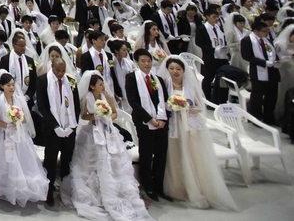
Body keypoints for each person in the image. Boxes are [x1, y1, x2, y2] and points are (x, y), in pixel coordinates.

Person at [158, 56, 237, 210]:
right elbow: (161, 105)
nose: (175, 72)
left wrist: (185, 107)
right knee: (175, 155)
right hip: (173, 125)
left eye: (178, 69)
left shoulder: (191, 86)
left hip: (190, 126)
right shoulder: (165, 84)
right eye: (172, 68)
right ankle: (178, 188)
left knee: (192, 156)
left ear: (184, 70)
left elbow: (200, 107)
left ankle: (195, 187)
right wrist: (172, 107)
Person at [70, 72, 152, 221]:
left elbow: (114, 113)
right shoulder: (87, 98)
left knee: (113, 158)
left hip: (107, 129)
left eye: (103, 84)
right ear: (92, 86)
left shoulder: (106, 97)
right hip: (92, 130)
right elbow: (83, 115)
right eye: (100, 84)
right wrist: (96, 117)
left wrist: (106, 117)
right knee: (91, 158)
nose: (103, 86)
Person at [0, 70, 49, 207]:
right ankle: (5, 188)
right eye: (8, 85)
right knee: (4, 163)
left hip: (19, 135)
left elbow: (26, 118)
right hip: (3, 135)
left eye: (13, 85)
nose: (12, 88)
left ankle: (22, 188)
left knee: (23, 161)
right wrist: (7, 125)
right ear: (2, 86)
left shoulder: (19, 100)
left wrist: (18, 120)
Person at [124, 49, 170, 203]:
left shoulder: (158, 79)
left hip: (161, 122)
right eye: (143, 61)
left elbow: (165, 101)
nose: (147, 64)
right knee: (146, 154)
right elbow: (133, 101)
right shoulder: (131, 78)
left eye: (149, 61)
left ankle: (159, 185)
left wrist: (163, 119)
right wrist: (150, 119)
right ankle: (147, 185)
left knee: (161, 155)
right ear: (137, 62)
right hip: (144, 122)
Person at [37, 45, 79, 206]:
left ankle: (66, 189)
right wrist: (55, 126)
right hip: (51, 128)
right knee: (51, 160)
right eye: (58, 70)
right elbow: (42, 107)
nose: (61, 74)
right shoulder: (43, 81)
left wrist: (71, 126)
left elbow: (74, 105)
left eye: (63, 70)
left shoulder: (71, 82)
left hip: (69, 127)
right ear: (52, 67)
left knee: (67, 159)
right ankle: (48, 191)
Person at [241, 19, 280, 124]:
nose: (267, 33)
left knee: (271, 96)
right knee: (257, 95)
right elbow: (246, 56)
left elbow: (273, 52)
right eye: (264, 31)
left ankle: (269, 117)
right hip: (258, 71)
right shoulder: (247, 40)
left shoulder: (267, 40)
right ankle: (255, 118)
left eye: (267, 30)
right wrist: (264, 63)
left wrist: (276, 61)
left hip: (272, 71)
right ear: (256, 31)